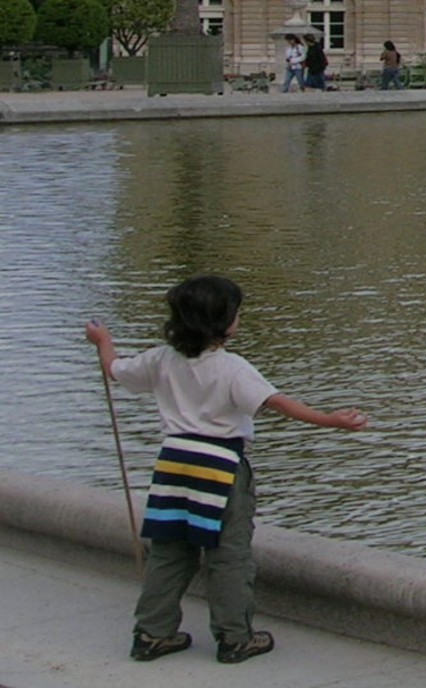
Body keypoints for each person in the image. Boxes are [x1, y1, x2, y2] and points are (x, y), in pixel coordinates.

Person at [85, 275, 368, 666]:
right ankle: (235, 637)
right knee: (228, 554)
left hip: (174, 463)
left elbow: (114, 370)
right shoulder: (232, 368)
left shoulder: (162, 358)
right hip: (220, 465)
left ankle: (151, 633)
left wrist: (103, 340)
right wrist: (330, 420)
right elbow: (276, 403)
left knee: (169, 551)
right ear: (224, 323)